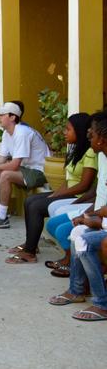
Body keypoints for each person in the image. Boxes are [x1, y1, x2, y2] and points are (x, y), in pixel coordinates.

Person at [6, 113, 96, 264]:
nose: (64, 133)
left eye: (68, 129)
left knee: (36, 206)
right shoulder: (76, 150)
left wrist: (56, 196)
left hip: (80, 196)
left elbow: (84, 185)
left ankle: (30, 252)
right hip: (71, 192)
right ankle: (31, 245)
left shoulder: (90, 153)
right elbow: (69, 181)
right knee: (30, 201)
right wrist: (55, 193)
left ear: (79, 131)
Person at [48, 113, 107, 321]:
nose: (88, 136)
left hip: (104, 221)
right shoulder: (102, 155)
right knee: (77, 232)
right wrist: (89, 215)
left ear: (102, 139)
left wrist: (95, 218)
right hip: (102, 218)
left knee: (81, 237)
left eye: (92, 134)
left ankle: (102, 303)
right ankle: (77, 290)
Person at [0, 101, 49, 229]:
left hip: (39, 171)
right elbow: (1, 159)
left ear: (12, 117)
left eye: (1, 115)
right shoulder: (7, 132)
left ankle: (2, 218)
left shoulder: (22, 133)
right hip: (26, 169)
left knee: (5, 175)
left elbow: (13, 165)